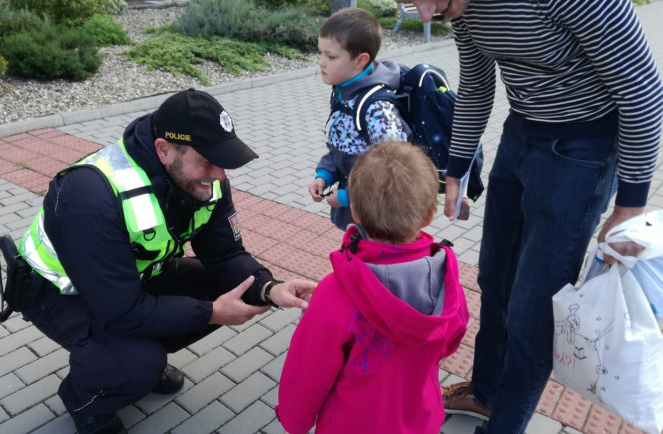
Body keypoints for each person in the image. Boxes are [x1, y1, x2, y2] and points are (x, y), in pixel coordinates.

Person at [399, 1, 663, 433]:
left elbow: (642, 89)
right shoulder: (457, 8)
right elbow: (478, 83)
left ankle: (504, 426)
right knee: (495, 279)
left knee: (532, 311)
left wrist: (630, 205)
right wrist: (457, 166)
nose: (427, 15)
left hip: (581, 153)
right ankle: (486, 394)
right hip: (520, 136)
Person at [15, 89, 317, 434]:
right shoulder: (88, 195)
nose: (218, 174)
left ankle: (133, 355)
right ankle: (86, 401)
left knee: (231, 287)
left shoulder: (205, 180)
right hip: (58, 294)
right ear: (164, 150)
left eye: (222, 161)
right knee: (136, 363)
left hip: (128, 282)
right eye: (207, 160)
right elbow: (120, 311)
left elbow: (225, 254)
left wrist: (269, 288)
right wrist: (213, 313)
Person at [277, 141, 469, 433]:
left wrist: (295, 420)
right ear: (430, 214)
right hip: (419, 419)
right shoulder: (446, 282)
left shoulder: (336, 292)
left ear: (355, 212)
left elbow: (308, 372)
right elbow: (450, 339)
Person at [308, 7, 411, 231]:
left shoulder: (377, 109)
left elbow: (393, 170)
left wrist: (348, 197)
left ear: (360, 61)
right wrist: (324, 175)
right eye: (321, 53)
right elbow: (343, 147)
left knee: (369, 265)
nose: (321, 62)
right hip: (357, 216)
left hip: (378, 221)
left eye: (331, 56)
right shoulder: (343, 93)